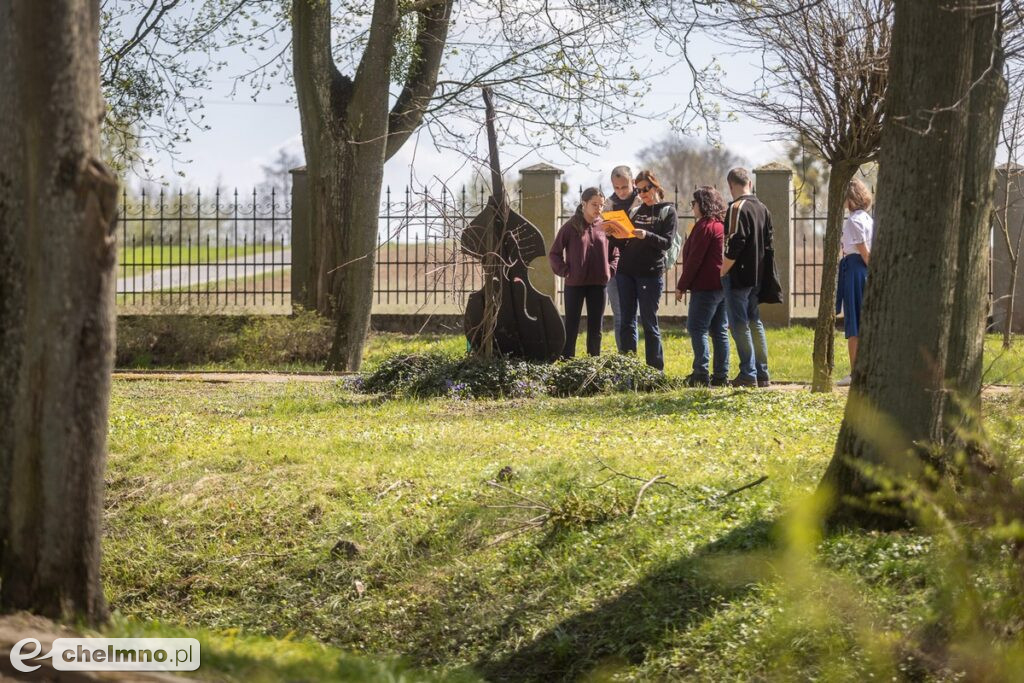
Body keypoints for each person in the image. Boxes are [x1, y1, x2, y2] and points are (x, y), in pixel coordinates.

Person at [604, 170, 677, 371]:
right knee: (626, 321)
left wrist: (646, 235)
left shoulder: (667, 211)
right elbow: (625, 240)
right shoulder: (636, 211)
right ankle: (629, 370)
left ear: (656, 187)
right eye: (641, 189)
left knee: (649, 322)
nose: (643, 193)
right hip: (626, 272)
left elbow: (667, 243)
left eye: (647, 188)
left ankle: (654, 371)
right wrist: (610, 233)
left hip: (649, 274)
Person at [549, 187, 619, 358]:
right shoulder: (570, 226)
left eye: (601, 205)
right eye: (594, 204)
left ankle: (592, 361)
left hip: (599, 284)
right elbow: (554, 254)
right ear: (584, 204)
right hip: (575, 284)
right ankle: (567, 361)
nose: (598, 209)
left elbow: (615, 252)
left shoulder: (605, 226)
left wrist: (610, 270)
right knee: (571, 325)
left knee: (596, 327)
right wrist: (566, 272)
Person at [721, 167, 772, 388]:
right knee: (755, 322)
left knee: (739, 324)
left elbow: (735, 242)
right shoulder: (762, 208)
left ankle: (747, 373)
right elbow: (769, 243)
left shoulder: (736, 207)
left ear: (731, 185)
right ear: (749, 183)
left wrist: (723, 270)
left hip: (738, 275)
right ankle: (762, 373)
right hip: (757, 276)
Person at [675, 186, 729, 387]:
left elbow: (694, 260)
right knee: (719, 330)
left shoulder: (705, 226)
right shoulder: (721, 225)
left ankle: (700, 374)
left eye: (694, 203)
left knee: (697, 328)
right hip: (722, 285)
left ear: (703, 204)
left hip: (706, 286)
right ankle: (721, 375)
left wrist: (681, 285)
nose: (693, 207)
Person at [835, 179, 874, 387]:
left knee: (854, 322)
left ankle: (855, 371)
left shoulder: (853, 221)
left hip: (856, 270)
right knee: (862, 319)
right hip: (862, 270)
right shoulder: (868, 219)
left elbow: (864, 251)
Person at [603, 166, 640, 352]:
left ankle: (634, 359)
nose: (621, 192)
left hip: (639, 264)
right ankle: (623, 357)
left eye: (624, 187)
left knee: (633, 316)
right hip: (616, 265)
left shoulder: (643, 201)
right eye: (617, 188)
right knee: (620, 315)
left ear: (633, 182)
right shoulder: (608, 204)